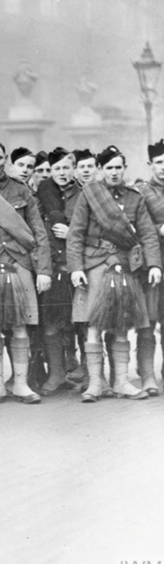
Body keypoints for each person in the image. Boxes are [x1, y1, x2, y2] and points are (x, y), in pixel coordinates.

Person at [68, 146, 162, 402]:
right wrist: (76, 268)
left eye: (118, 167)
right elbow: (75, 234)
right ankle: (96, 383)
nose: (113, 172)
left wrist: (154, 264)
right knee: (93, 325)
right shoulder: (89, 195)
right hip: (95, 264)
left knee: (121, 323)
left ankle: (121, 381)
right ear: (100, 170)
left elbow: (147, 235)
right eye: (108, 168)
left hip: (124, 264)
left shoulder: (135, 197)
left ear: (124, 169)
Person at [0, 138, 51, 405]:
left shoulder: (21, 190)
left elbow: (39, 231)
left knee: (21, 325)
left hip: (20, 264)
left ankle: (22, 383)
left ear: (5, 160)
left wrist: (44, 270)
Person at [32, 147, 79, 395]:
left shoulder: (83, 193)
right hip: (52, 264)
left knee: (81, 321)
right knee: (51, 322)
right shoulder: (42, 195)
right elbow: (37, 231)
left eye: (65, 167)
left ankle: (92, 375)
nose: (61, 172)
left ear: (73, 168)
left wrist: (72, 232)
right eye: (56, 169)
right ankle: (57, 374)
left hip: (79, 265)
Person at [137, 139, 164, 397]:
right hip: (153, 265)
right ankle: (146, 374)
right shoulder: (142, 192)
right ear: (150, 164)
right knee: (149, 318)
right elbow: (136, 227)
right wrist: (160, 229)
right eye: (159, 162)